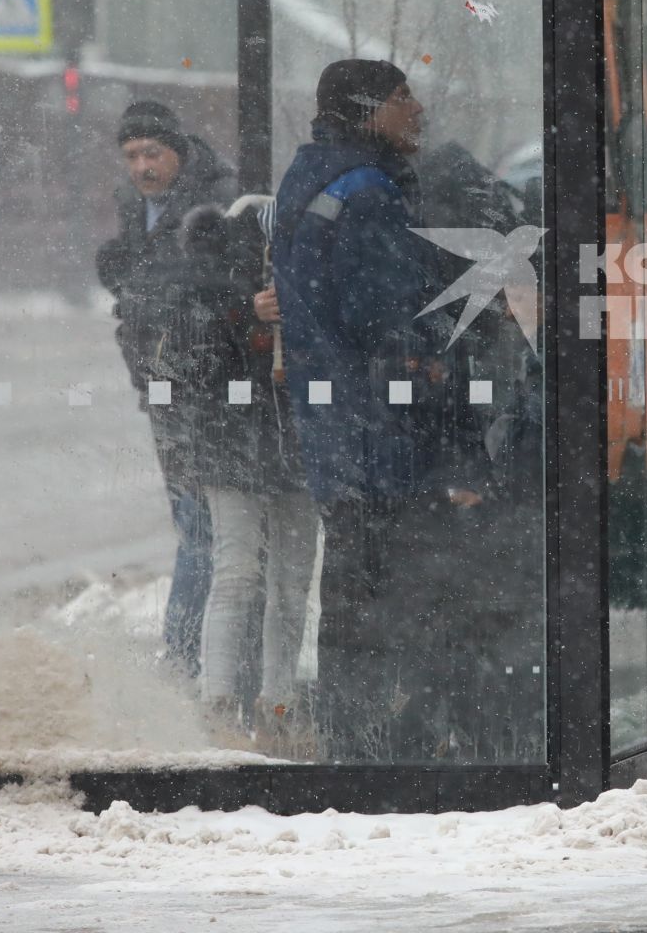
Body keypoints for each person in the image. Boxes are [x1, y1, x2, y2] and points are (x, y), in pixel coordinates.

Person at [273, 59, 539, 761]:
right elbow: (387, 317)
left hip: (339, 433)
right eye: (401, 97)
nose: (416, 108)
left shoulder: (312, 173)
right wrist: (437, 362)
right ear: (368, 110)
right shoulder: (367, 193)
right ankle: (387, 747)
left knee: (356, 589)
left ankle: (351, 733)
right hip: (380, 436)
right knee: (409, 589)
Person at [94, 100, 236, 678]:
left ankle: (188, 661)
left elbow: (203, 293)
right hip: (164, 391)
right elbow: (142, 297)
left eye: (153, 152)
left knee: (206, 532)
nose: (142, 166)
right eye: (131, 155)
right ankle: (192, 661)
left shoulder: (213, 201)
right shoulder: (136, 206)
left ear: (178, 150)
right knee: (197, 526)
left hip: (213, 390)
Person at [179, 197, 317, 752]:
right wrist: (244, 311)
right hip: (235, 443)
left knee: (289, 583)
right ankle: (218, 707)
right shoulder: (215, 274)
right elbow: (196, 351)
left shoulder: (310, 261)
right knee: (239, 576)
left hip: (292, 443)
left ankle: (276, 707)